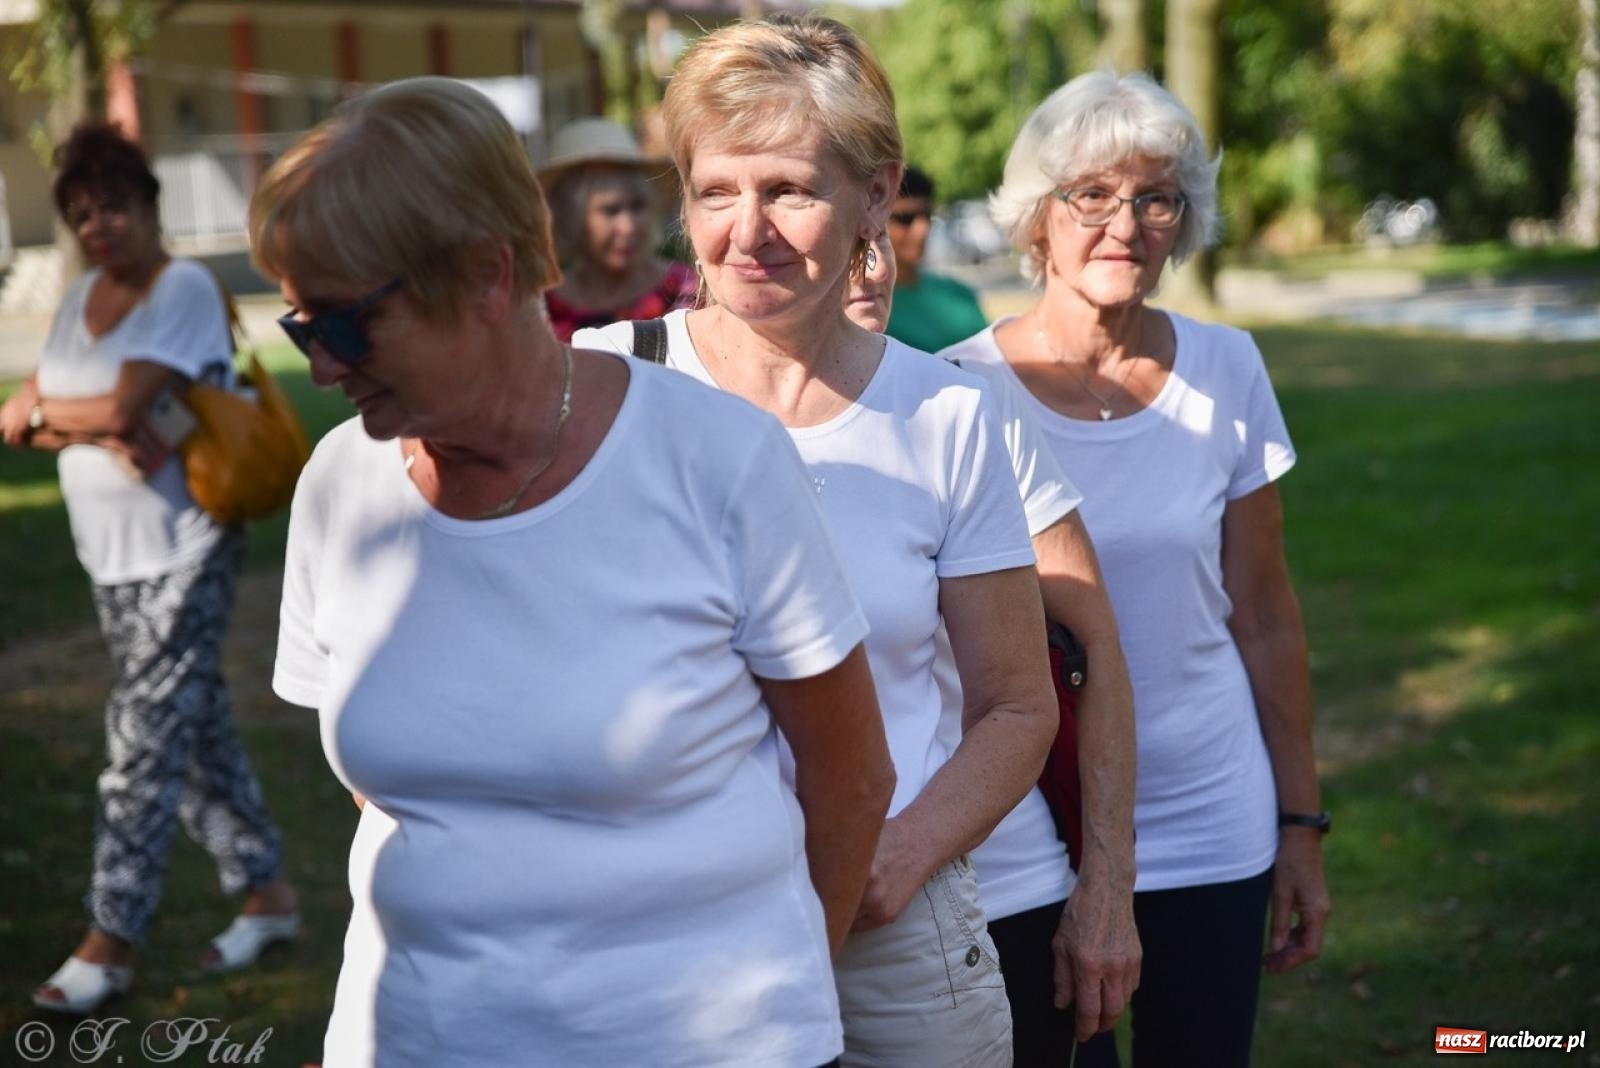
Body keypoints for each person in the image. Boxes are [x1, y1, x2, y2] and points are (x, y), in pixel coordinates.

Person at [252, 76, 896, 1067]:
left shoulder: (713, 460)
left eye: (342, 326)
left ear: (486, 275)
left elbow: (849, 777)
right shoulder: (342, 486)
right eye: (302, 328)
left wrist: (781, 985)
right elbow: (392, 792)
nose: (321, 368)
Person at [576, 15, 1059, 1065]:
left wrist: (900, 855)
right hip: (664, 931)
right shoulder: (606, 383)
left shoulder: (946, 414)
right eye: (715, 191)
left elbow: (1019, 704)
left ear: (875, 196)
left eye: (789, 188)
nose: (747, 230)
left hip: (896, 939)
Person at [941, 70, 1333, 1066]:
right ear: (1036, 216)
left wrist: (1298, 823)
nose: (1126, 223)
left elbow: (1264, 614)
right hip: (1028, 833)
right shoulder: (952, 394)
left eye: (1155, 197)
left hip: (1211, 817)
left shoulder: (1226, 368)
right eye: (1093, 195)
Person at [1, 122, 298, 1015]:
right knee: (192, 730)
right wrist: (74, 415)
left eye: (115, 206)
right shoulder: (79, 293)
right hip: (109, 556)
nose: (101, 226)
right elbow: (34, 421)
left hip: (187, 543)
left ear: (149, 207)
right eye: (84, 213)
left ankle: (112, 936)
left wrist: (55, 410)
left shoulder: (182, 288)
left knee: (140, 738)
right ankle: (270, 892)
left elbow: (112, 405)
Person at [848, 233, 1143, 1064]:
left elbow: (1094, 643)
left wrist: (1106, 889)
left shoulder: (962, 407)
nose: (870, 265)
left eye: (880, 236)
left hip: (1008, 893)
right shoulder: (686, 403)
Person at [540, 117, 698, 341]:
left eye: (637, 206)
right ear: (571, 216)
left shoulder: (683, 290)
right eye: (610, 210)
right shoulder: (544, 310)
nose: (628, 227)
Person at [882, 165, 989, 353]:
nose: (922, 229)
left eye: (927, 216)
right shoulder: (861, 306)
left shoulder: (958, 295)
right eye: (906, 219)